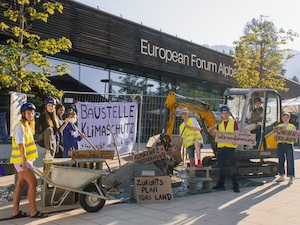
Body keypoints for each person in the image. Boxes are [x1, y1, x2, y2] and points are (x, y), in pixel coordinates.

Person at [10, 102, 47, 218]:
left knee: (20, 184)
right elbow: (21, 145)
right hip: (21, 161)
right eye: (28, 113)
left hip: (24, 161)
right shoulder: (20, 127)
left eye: (32, 113)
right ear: (23, 114)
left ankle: (15, 211)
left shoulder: (28, 126)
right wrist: (24, 161)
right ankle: (33, 211)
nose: (31, 115)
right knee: (33, 182)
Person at [211, 105, 240, 193]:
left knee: (232, 167)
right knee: (221, 167)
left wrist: (236, 141)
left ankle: (235, 185)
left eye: (226, 113)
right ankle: (221, 184)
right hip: (221, 147)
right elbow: (216, 134)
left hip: (230, 147)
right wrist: (213, 131)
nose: (225, 115)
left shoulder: (233, 122)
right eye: (223, 113)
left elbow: (236, 133)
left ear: (228, 113)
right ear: (221, 114)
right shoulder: (219, 123)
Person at [275, 111, 297, 184]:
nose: (285, 119)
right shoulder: (279, 126)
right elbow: (276, 136)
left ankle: (291, 176)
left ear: (289, 118)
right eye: (284, 117)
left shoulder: (292, 126)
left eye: (287, 117)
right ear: (282, 118)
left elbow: (294, 135)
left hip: (289, 145)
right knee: (281, 160)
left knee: (290, 161)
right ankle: (281, 175)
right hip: (281, 144)